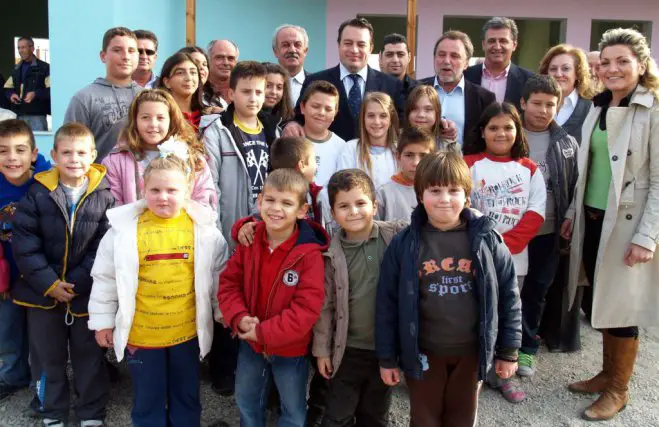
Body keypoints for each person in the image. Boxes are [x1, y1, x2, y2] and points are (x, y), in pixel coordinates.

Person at [376, 151, 522, 427]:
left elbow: (508, 296)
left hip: (471, 352)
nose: (444, 199)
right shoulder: (404, 244)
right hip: (423, 353)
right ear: (420, 195)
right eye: (435, 190)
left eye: (453, 190)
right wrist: (387, 357)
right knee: (425, 419)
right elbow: (387, 304)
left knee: (462, 418)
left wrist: (508, 350)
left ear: (467, 195)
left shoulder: (487, 240)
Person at [89, 143, 229, 427]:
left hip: (186, 334)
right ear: (144, 189)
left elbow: (218, 276)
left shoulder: (205, 231)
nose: (163, 197)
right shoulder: (122, 232)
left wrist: (222, 312)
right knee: (147, 399)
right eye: (155, 190)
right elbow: (105, 279)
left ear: (187, 190)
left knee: (186, 395)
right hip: (142, 337)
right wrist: (103, 321)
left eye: (172, 190)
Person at [562, 28, 659, 422]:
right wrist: (572, 214)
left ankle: (619, 389)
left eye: (623, 61)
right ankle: (606, 373)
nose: (613, 68)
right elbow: (587, 171)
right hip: (592, 216)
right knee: (600, 297)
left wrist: (647, 237)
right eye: (606, 62)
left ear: (641, 64)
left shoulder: (652, 109)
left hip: (628, 223)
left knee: (621, 308)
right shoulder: (599, 106)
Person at [11, 123, 113, 427]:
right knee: (47, 359)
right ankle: (51, 410)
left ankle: (90, 412)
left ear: (93, 155)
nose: (73, 158)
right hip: (42, 295)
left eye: (81, 152)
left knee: (89, 358)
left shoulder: (104, 195)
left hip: (85, 295)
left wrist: (79, 281)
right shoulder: (37, 193)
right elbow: (25, 246)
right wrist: (50, 283)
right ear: (54, 155)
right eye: (66, 152)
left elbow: (104, 246)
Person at [219, 169, 329, 427]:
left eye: (287, 203)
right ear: (259, 202)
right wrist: (239, 317)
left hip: (291, 349)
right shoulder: (250, 240)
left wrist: (264, 332)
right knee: (246, 398)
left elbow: (306, 309)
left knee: (292, 409)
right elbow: (229, 283)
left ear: (302, 211)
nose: (276, 208)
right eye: (270, 200)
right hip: (250, 343)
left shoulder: (309, 255)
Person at [463, 102, 546, 403]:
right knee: (472, 314)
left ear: (517, 131)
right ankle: (472, 372)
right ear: (482, 132)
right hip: (473, 255)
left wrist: (502, 247)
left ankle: (501, 375)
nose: (501, 133)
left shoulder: (529, 169)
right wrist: (483, 247)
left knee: (504, 314)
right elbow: (461, 208)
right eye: (494, 127)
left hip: (513, 259)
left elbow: (536, 213)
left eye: (508, 127)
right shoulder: (469, 163)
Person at [312, 169, 406, 427]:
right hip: (347, 350)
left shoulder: (395, 237)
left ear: (374, 206)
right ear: (333, 213)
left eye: (360, 203)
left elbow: (430, 225)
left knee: (374, 415)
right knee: (337, 415)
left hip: (384, 350)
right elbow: (325, 306)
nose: (353, 211)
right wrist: (322, 351)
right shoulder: (331, 254)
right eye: (344, 205)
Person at [516, 75, 579, 376]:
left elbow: (576, 184)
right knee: (509, 289)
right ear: (523, 103)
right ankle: (502, 346)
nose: (542, 110)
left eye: (550, 105)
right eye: (536, 103)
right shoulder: (510, 136)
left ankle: (527, 347)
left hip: (547, 232)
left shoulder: (566, 143)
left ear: (559, 105)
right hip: (512, 232)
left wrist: (569, 217)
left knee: (537, 290)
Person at [285, 18, 404, 142]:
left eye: (361, 44)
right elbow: (297, 116)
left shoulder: (392, 85)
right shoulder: (314, 80)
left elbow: (400, 126)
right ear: (339, 45)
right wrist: (292, 124)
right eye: (348, 43)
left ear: (371, 48)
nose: (354, 50)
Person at [200, 61, 278, 249]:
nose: (253, 98)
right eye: (246, 92)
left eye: (258, 92)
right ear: (231, 94)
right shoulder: (217, 132)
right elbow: (210, 188)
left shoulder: (273, 132)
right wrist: (215, 231)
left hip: (266, 224)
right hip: (230, 225)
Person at [0, 120, 50, 403]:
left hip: (38, 277)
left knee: (40, 338)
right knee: (7, 331)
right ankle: (11, 376)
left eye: (20, 150)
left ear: (33, 153)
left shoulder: (45, 182)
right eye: (3, 151)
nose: (11, 158)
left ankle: (41, 387)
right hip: (8, 276)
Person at [102, 89, 216, 207]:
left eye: (160, 118)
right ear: (135, 121)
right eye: (145, 117)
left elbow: (204, 201)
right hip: (134, 224)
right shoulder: (116, 160)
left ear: (171, 121)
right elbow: (114, 207)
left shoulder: (192, 158)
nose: (153, 124)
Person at [64, 27, 141, 161]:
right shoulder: (85, 98)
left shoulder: (147, 96)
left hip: (143, 179)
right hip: (100, 179)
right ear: (103, 56)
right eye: (117, 50)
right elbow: (69, 145)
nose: (126, 57)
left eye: (131, 51)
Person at [420, 31, 496, 146]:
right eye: (441, 54)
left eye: (454, 56)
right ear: (434, 58)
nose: (446, 61)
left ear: (466, 63)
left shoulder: (484, 98)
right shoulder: (415, 90)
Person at [464, 17, 534, 111]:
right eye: (492, 41)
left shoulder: (528, 80)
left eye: (503, 41)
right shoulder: (466, 76)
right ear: (483, 45)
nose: (497, 47)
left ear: (514, 45)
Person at [337, 92, 399, 188]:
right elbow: (343, 186)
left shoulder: (399, 150)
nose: (377, 122)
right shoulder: (351, 149)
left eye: (383, 116)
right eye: (371, 116)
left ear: (391, 119)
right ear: (363, 118)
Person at [538, 44, 595, 144]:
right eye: (553, 69)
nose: (559, 74)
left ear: (578, 73)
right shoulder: (535, 105)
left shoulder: (591, 108)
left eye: (566, 69)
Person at [376, 127, 435, 221]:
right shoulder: (383, 193)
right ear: (398, 157)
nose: (416, 163)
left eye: (423, 156)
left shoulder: (439, 190)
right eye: (409, 155)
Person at [299, 80, 345, 187]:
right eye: (315, 106)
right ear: (302, 107)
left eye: (328, 109)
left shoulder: (342, 147)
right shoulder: (290, 140)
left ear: (335, 114)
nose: (321, 113)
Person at [4, 36, 51, 131]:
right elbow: (7, 88)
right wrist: (11, 95)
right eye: (19, 48)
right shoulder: (16, 69)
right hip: (19, 116)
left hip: (38, 116)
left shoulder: (45, 68)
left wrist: (36, 94)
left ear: (32, 48)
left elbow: (51, 90)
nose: (20, 50)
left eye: (23, 47)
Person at [157, 52, 210, 130]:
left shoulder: (209, 116)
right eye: (180, 73)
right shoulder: (160, 116)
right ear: (167, 82)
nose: (188, 78)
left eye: (193, 72)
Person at [405, 85, 457, 152]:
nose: (421, 115)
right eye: (415, 109)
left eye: (428, 109)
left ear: (437, 113)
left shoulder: (450, 146)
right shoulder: (395, 143)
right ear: (408, 112)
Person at [272, 25, 310, 108]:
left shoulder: (316, 83)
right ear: (275, 51)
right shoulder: (263, 83)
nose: (292, 50)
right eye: (285, 45)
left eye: (297, 45)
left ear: (305, 51)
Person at [205, 39, 239, 110]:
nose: (226, 63)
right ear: (208, 60)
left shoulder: (243, 90)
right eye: (219, 57)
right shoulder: (197, 92)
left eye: (230, 58)